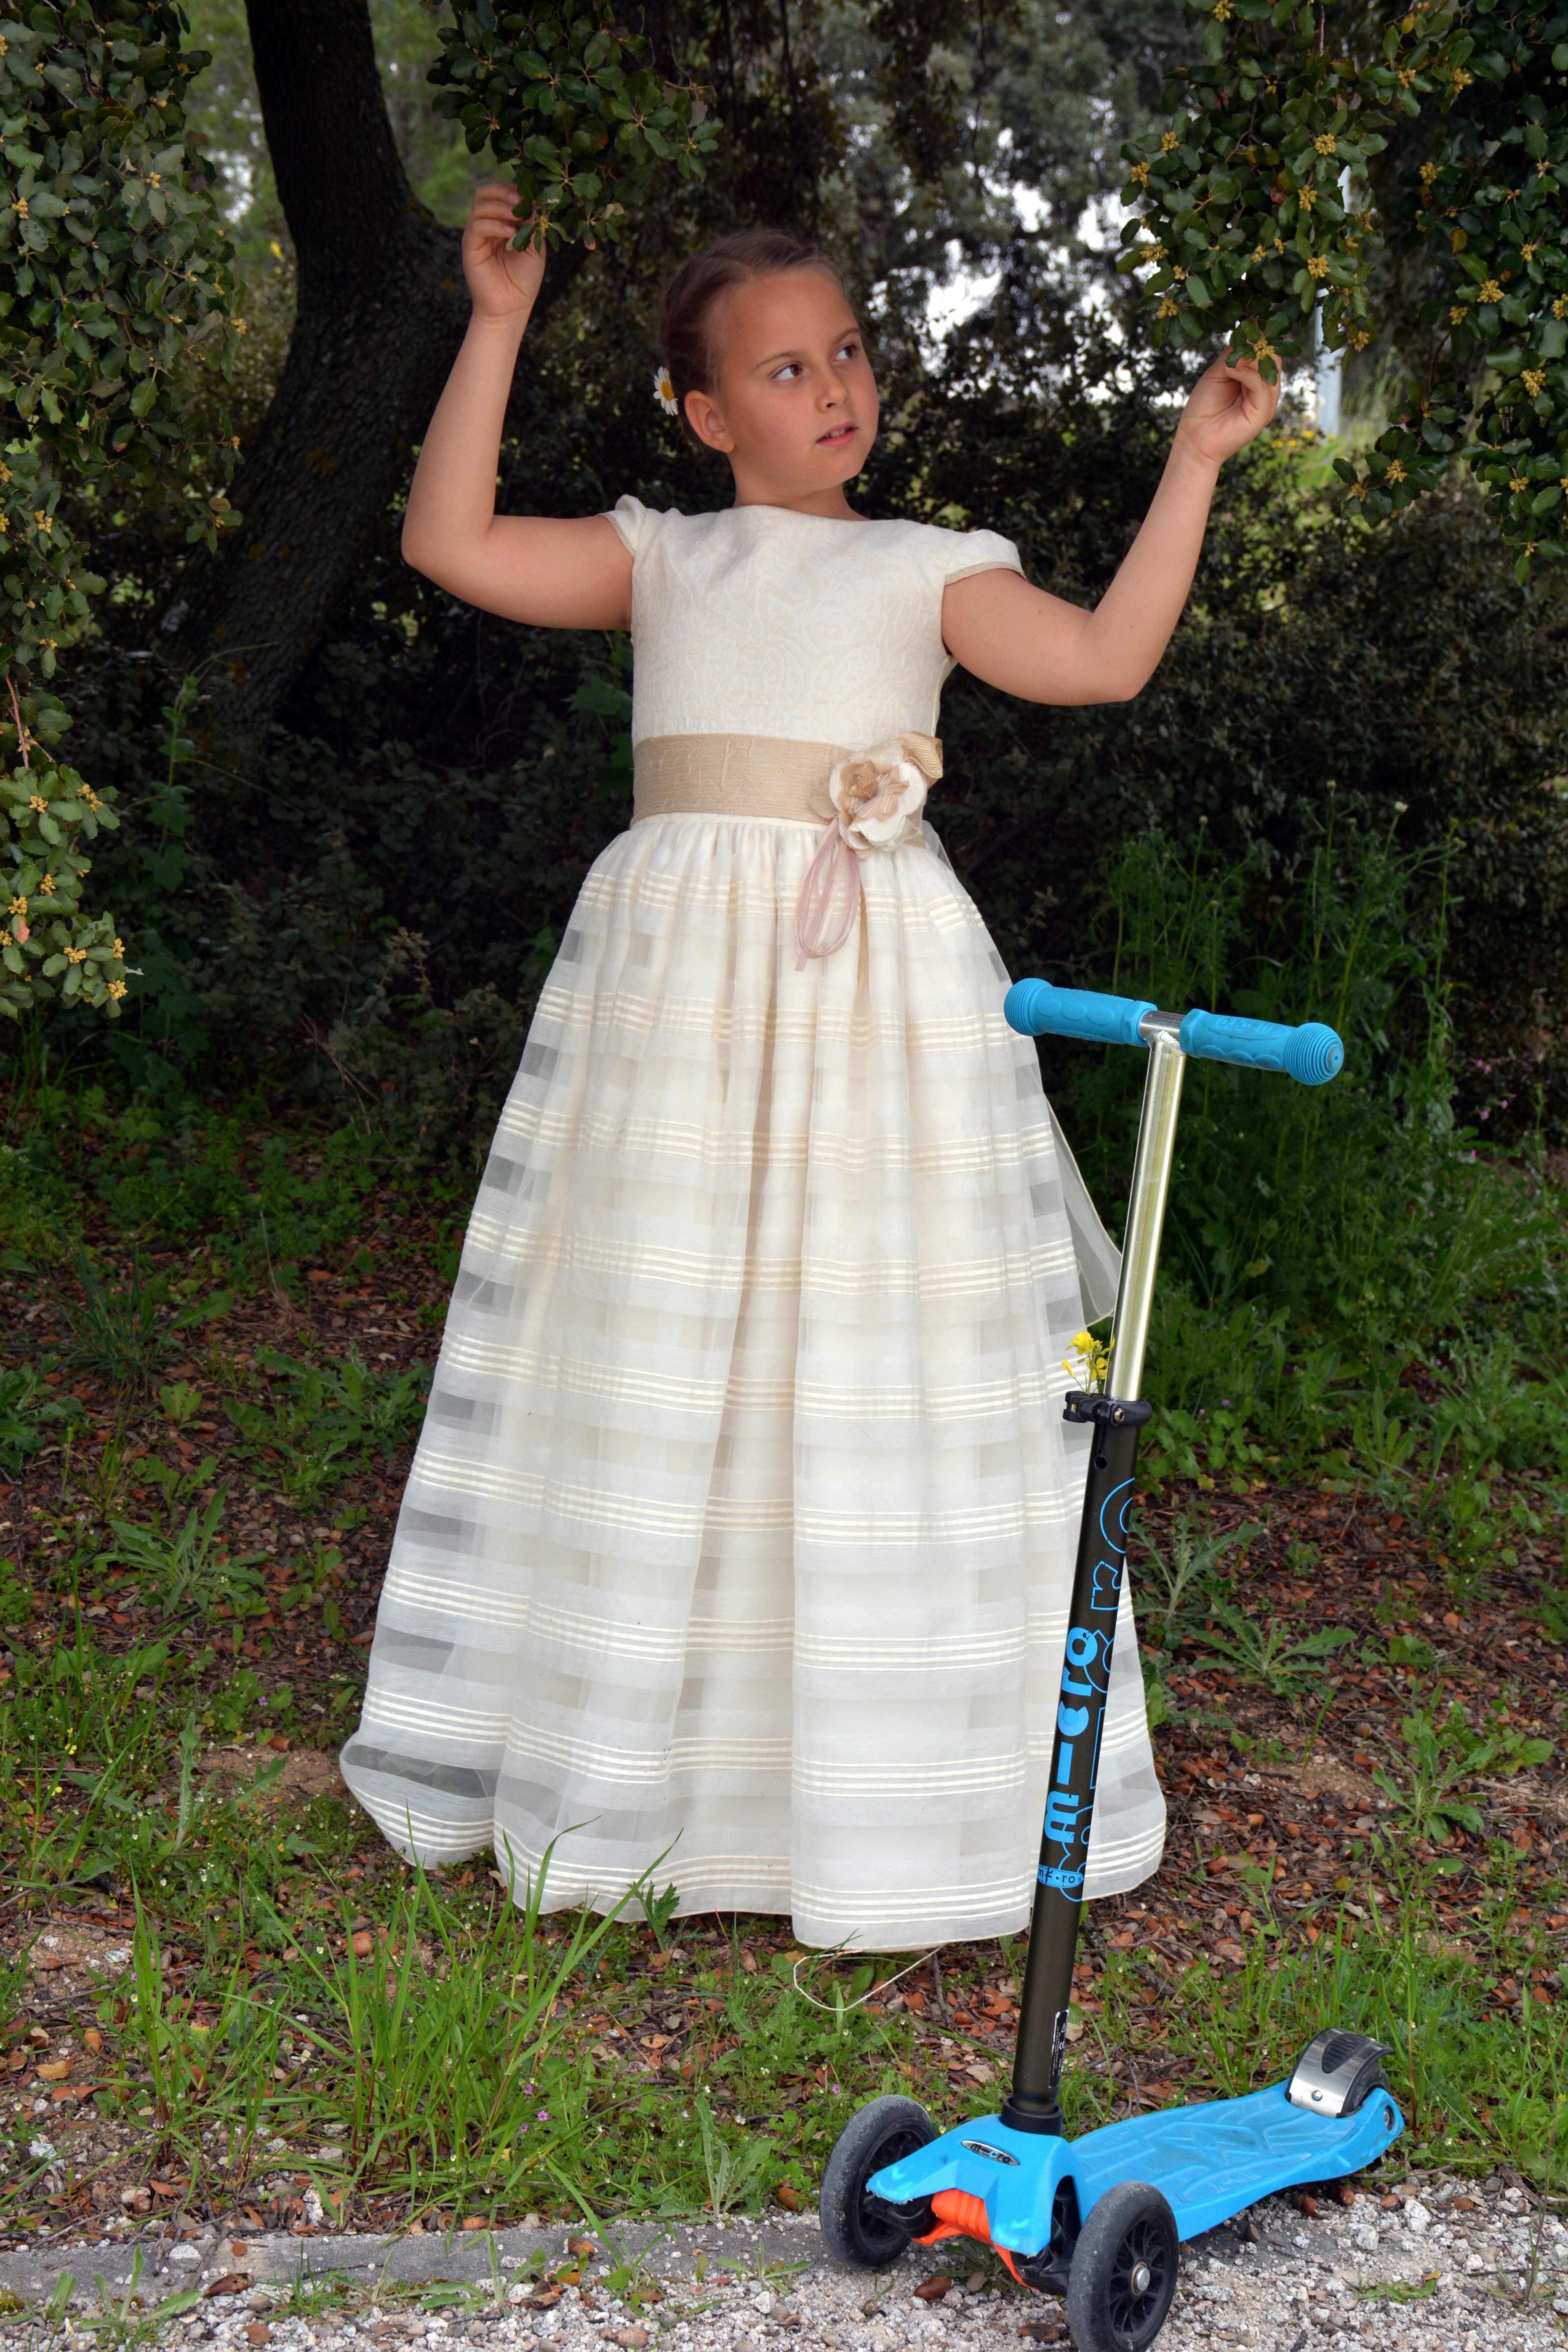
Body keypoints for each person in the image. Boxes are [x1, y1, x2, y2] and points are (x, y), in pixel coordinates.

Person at [339, 194, 1279, 1950]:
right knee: (664, 1338)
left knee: (869, 1341)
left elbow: (1100, 660)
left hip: (877, 1008)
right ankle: (652, 1769)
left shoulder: (928, 563)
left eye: (844, 350)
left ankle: (887, 1785)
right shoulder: (661, 554)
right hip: (676, 1001)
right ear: (705, 416)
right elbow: (449, 539)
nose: (833, 384)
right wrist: (494, 324)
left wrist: (1194, 465)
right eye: (784, 368)